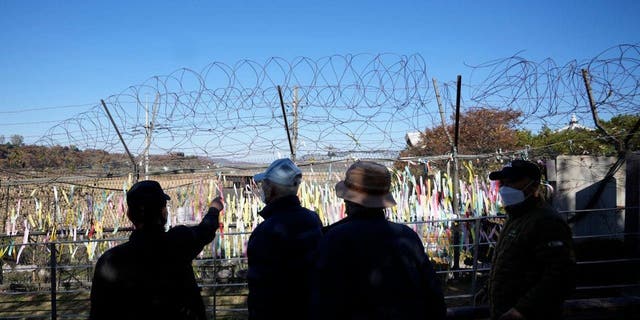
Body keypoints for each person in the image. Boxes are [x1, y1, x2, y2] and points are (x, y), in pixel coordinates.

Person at [311, 160, 446, 320]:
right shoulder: (407, 236)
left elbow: (323, 302)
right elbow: (433, 294)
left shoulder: (334, 239)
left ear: (349, 200)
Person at [90, 180, 223, 320]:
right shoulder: (179, 242)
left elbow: (98, 312)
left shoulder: (109, 260)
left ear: (129, 215)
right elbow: (205, 230)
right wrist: (214, 209)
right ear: (163, 212)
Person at [487, 160, 575, 320]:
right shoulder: (515, 216)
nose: (505, 187)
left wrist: (522, 310)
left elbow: (559, 273)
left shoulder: (546, 220)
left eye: (513, 181)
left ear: (533, 186)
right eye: (504, 182)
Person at [247, 158, 323, 320]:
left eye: (264, 184)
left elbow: (261, 291)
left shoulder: (265, 231)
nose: (262, 188)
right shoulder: (313, 219)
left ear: (272, 189)